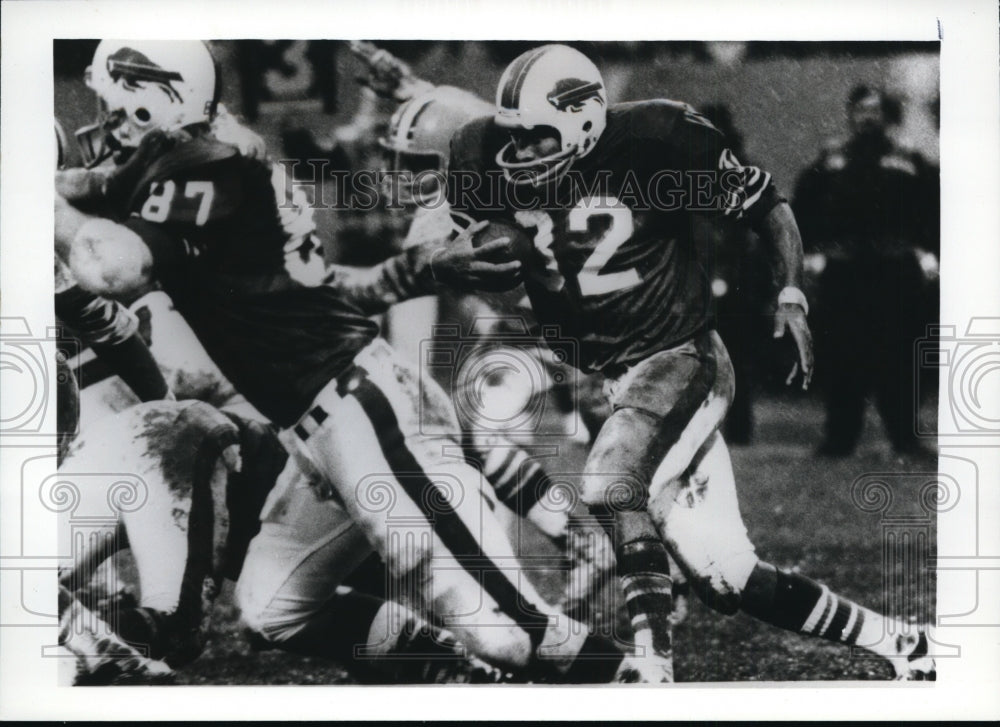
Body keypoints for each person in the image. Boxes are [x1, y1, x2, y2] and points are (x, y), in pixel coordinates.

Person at [54, 40, 624, 682]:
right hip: (317, 426)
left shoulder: (207, 166)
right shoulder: (201, 157)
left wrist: (39, 203)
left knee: (509, 633)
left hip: (357, 409)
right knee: (274, 608)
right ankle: (452, 669)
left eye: (114, 105)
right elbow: (95, 185)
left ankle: (628, 681)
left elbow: (113, 266)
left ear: (150, 98)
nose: (103, 125)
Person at [445, 43, 935, 682]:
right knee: (730, 576)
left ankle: (652, 671)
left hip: (680, 358)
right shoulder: (482, 150)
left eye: (539, 137)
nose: (523, 151)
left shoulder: (657, 136)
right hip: (615, 376)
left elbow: (770, 210)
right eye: (517, 137)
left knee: (610, 484)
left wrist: (791, 294)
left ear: (584, 120)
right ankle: (904, 643)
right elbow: (451, 235)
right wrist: (441, 259)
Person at [793, 85, 939, 458]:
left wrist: (929, 254)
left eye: (875, 110)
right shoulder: (830, 162)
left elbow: (932, 212)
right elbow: (802, 210)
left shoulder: (909, 161)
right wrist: (810, 253)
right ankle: (839, 438)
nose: (868, 117)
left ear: (886, 116)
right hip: (844, 271)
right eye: (861, 110)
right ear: (851, 114)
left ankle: (904, 438)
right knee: (843, 357)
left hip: (894, 270)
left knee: (899, 358)